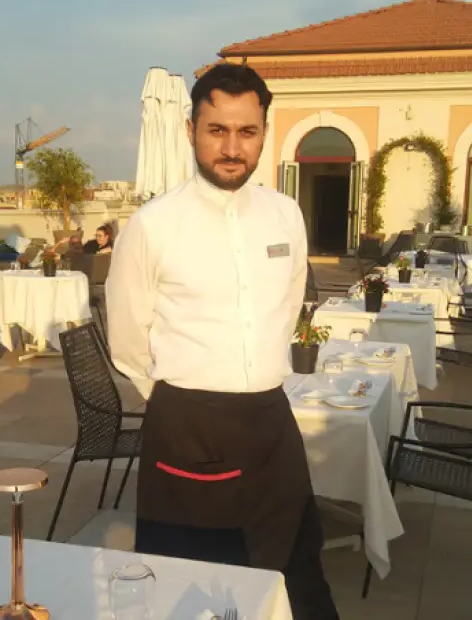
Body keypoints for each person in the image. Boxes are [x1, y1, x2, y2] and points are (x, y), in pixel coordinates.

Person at [106, 64, 339, 620]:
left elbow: (288, 305)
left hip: (271, 420)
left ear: (263, 132)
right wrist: (183, 398)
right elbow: (127, 340)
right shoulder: (153, 225)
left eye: (247, 132)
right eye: (217, 130)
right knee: (190, 589)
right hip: (188, 426)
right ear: (191, 130)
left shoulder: (285, 215)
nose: (232, 148)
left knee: (296, 577)